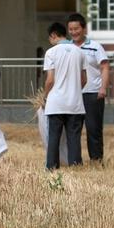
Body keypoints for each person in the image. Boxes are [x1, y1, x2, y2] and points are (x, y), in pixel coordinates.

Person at [43, 22, 87, 170]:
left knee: (54, 137)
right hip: (75, 103)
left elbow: (50, 80)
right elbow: (84, 79)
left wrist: (44, 95)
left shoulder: (51, 52)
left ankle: (52, 167)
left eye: (50, 38)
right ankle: (76, 166)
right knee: (74, 138)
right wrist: (74, 89)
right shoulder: (80, 52)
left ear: (54, 35)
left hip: (56, 103)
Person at [67, 13, 110, 164]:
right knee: (73, 129)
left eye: (76, 28)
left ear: (84, 29)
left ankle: (96, 160)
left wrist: (103, 88)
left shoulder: (95, 47)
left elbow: (104, 67)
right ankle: (74, 161)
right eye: (71, 29)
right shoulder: (66, 48)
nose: (73, 32)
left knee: (93, 128)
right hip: (73, 94)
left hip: (92, 93)